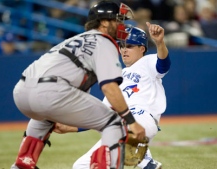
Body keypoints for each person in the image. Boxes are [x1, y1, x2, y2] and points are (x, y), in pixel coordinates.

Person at [10, 1, 146, 169]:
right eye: (119, 20)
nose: (122, 25)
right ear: (104, 22)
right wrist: (131, 121)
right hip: (52, 91)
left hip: (21, 91)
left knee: (46, 118)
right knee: (115, 122)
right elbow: (109, 87)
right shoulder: (104, 41)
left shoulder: (73, 39)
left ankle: (22, 164)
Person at [54, 22, 171, 169]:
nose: (124, 50)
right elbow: (102, 115)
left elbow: (163, 65)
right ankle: (146, 163)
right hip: (120, 124)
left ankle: (145, 161)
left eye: (129, 46)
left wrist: (159, 42)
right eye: (121, 46)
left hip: (142, 120)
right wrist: (70, 127)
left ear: (142, 49)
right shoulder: (117, 78)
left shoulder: (147, 62)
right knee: (81, 166)